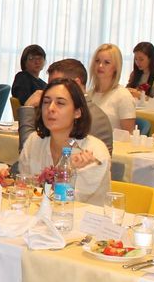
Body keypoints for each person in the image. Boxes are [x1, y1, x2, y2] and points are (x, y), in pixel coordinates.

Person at [17, 78, 111, 206]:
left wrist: (68, 170)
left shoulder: (94, 151)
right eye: (46, 102)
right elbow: (26, 188)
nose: (50, 108)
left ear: (77, 112)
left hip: (82, 216)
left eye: (60, 103)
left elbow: (66, 200)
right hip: (38, 213)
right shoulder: (34, 141)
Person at [18, 58, 113, 153]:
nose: (51, 90)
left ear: (76, 84)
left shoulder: (85, 113)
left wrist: (28, 108)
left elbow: (30, 152)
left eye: (57, 84)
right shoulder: (89, 109)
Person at [87, 43, 136, 134]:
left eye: (106, 62)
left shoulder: (123, 96)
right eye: (97, 61)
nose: (100, 65)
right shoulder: (89, 94)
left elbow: (129, 134)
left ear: (116, 68)